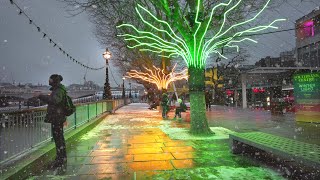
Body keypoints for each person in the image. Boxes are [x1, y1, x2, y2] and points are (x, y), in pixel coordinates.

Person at [37, 74, 67, 169]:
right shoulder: (58, 89)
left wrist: (40, 96)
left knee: (58, 138)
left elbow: (54, 100)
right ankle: (61, 157)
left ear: (54, 81)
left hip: (57, 118)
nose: (48, 81)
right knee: (59, 138)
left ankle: (60, 159)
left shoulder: (58, 90)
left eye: (50, 79)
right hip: (57, 117)